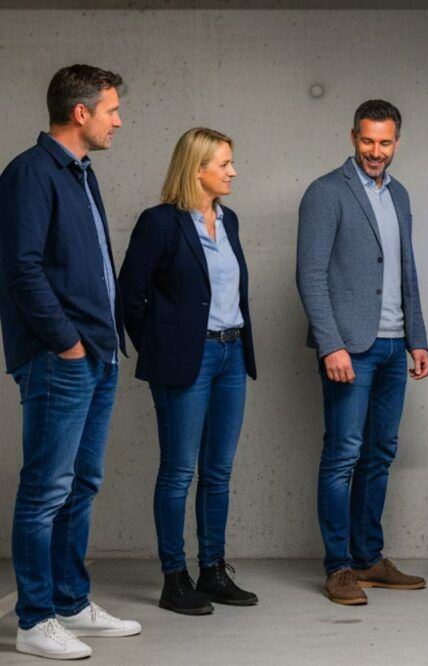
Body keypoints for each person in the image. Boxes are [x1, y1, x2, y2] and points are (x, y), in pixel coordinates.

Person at [0, 64, 141, 660]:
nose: (118, 120)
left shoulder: (81, 173)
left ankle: (69, 601)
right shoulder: (30, 174)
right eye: (111, 109)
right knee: (45, 489)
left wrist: (99, 346)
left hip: (97, 355)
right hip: (62, 359)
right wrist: (68, 343)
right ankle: (34, 620)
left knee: (81, 484)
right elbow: (22, 269)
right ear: (79, 113)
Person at [297, 99, 428, 606]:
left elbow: (407, 270)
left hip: (396, 347)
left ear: (397, 142)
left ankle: (370, 557)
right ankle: (339, 568)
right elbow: (309, 276)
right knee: (342, 456)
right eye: (368, 141)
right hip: (349, 348)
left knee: (379, 454)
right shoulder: (327, 192)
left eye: (386, 142)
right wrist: (331, 344)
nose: (377, 152)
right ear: (353, 137)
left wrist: (417, 337)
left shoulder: (399, 195)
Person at [119, 128, 258, 616]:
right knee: (179, 471)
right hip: (187, 362)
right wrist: (162, 352)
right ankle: (173, 577)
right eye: (224, 163)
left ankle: (213, 571)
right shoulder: (160, 223)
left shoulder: (230, 220)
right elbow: (129, 297)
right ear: (197, 168)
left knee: (217, 471)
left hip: (231, 356)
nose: (233, 171)